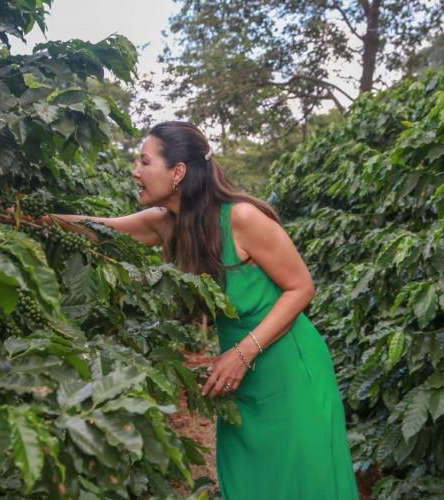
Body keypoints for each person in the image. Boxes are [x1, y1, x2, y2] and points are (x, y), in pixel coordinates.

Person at [45, 121, 358, 499]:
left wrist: (242, 354)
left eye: (144, 161)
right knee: (248, 482)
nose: (135, 171)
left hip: (288, 371)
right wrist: (29, 217)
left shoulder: (242, 218)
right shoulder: (168, 225)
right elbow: (100, 230)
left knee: (300, 482)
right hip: (241, 376)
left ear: (177, 172)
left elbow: (301, 287)